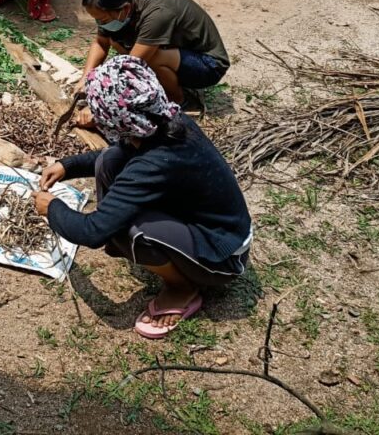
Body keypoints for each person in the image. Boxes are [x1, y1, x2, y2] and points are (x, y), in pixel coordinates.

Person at [32, 55, 251, 339]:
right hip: (209, 222)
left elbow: (92, 232)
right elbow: (119, 152)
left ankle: (183, 288)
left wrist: (52, 208)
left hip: (224, 256)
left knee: (127, 230)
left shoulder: (155, 163)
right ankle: (160, 253)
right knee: (110, 159)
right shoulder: (166, 120)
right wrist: (68, 166)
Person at [75, 0, 229, 112]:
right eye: (97, 20)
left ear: (125, 8)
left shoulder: (157, 13)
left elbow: (131, 66)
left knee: (151, 59)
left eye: (103, 20)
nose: (100, 24)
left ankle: (179, 100)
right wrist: (85, 78)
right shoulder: (121, 4)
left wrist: (101, 108)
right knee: (115, 41)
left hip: (209, 65)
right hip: (178, 53)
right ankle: (167, 81)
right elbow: (101, 43)